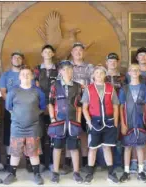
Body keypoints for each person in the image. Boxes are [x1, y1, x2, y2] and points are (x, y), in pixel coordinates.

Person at [2, 67, 46, 185]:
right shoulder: (13, 91)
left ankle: (37, 174)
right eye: (23, 74)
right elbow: (8, 107)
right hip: (17, 127)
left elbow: (42, 107)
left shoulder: (38, 91)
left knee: (34, 152)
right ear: (19, 77)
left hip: (33, 127)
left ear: (32, 76)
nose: (25, 76)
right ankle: (12, 174)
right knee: (15, 152)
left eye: (28, 74)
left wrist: (32, 115)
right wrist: (18, 117)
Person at [81, 65, 120, 184]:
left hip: (109, 122)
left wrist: (115, 122)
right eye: (96, 73)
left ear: (105, 75)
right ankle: (89, 173)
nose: (99, 75)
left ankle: (111, 173)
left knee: (107, 147)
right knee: (92, 148)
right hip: (94, 122)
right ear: (93, 75)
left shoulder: (110, 88)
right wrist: (89, 122)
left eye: (101, 73)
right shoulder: (89, 89)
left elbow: (115, 106)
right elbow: (84, 108)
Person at [48, 60, 83, 184]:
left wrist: (78, 122)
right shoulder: (55, 85)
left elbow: (79, 105)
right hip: (59, 121)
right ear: (60, 71)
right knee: (57, 147)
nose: (67, 71)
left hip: (73, 122)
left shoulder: (78, 86)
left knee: (74, 148)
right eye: (65, 69)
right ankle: (55, 172)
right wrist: (52, 118)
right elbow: (51, 103)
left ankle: (76, 172)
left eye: (70, 69)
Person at [119, 64, 146, 183]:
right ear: (128, 72)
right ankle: (126, 171)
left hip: (140, 120)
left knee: (140, 146)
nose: (134, 71)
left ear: (139, 72)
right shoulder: (124, 89)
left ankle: (141, 171)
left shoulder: (144, 88)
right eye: (132, 70)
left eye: (137, 70)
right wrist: (122, 123)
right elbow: (121, 107)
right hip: (128, 121)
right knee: (127, 146)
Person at [0, 51, 33, 171]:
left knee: (30, 137)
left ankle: (30, 162)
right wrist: (13, 107)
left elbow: (33, 91)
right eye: (15, 57)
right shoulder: (5, 75)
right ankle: (9, 162)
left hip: (28, 111)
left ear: (22, 60)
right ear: (11, 60)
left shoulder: (27, 74)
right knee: (10, 136)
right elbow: (3, 92)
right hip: (11, 111)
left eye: (19, 57)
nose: (17, 59)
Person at [68, 42, 94, 173]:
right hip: (69, 105)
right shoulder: (66, 66)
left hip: (85, 104)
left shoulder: (90, 67)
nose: (78, 52)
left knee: (83, 133)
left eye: (80, 50)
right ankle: (68, 162)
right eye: (75, 50)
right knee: (69, 132)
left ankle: (84, 160)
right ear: (71, 52)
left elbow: (94, 85)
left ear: (83, 53)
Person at [34, 44, 59, 171]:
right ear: (42, 54)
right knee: (41, 134)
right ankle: (42, 162)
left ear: (53, 54)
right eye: (45, 51)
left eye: (50, 51)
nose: (48, 53)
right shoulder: (37, 69)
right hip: (40, 106)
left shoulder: (59, 68)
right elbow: (35, 87)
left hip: (55, 106)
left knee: (54, 135)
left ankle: (52, 163)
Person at [104, 52, 126, 171]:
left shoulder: (123, 77)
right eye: (110, 61)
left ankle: (118, 164)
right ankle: (104, 164)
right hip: (104, 111)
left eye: (114, 61)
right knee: (105, 138)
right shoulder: (102, 77)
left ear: (117, 63)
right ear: (106, 63)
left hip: (119, 110)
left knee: (117, 137)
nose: (112, 63)